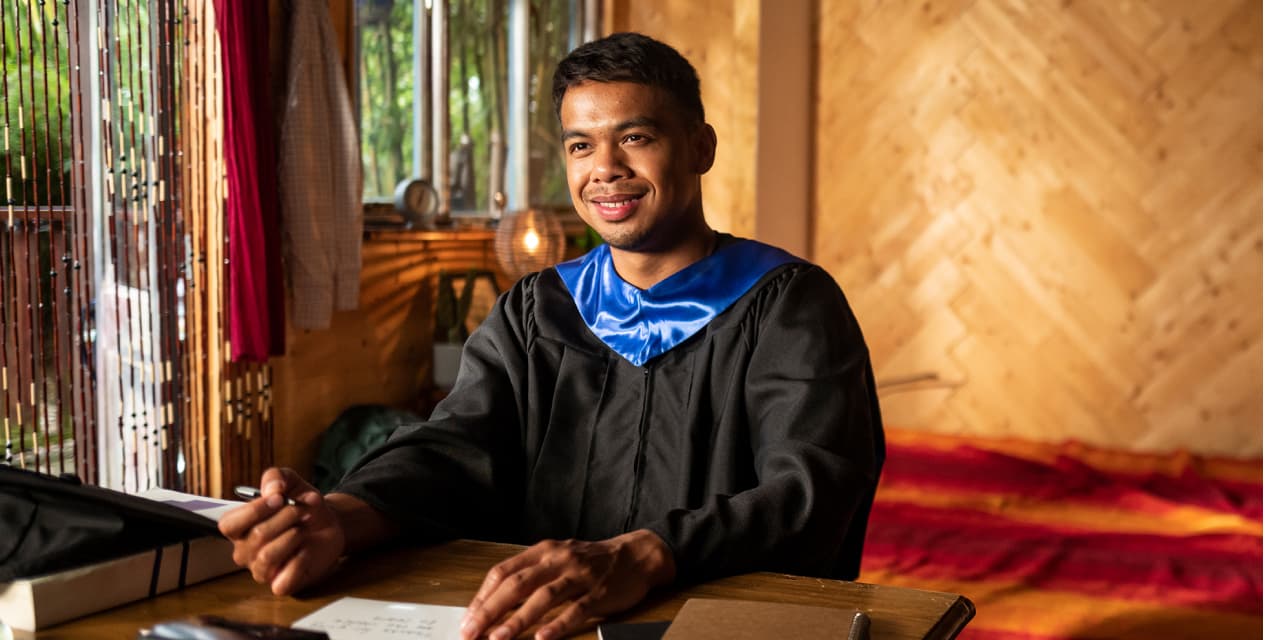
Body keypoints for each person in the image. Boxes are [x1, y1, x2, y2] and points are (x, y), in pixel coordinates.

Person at [219, 32, 884, 640]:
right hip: (544, 627)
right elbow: (455, 448)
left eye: (635, 137)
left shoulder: (788, 305)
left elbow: (812, 493)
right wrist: (341, 517)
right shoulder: (540, 309)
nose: (605, 169)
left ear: (700, 147)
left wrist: (649, 553)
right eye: (580, 144)